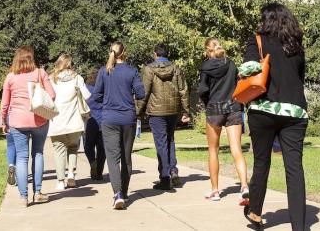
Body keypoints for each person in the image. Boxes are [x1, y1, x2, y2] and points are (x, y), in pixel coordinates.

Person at [244, 3, 308, 231]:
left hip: (264, 110)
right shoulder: (296, 44)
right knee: (294, 168)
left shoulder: (258, 40)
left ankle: (255, 212)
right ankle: (299, 227)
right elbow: (301, 76)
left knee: (262, 162)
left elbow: (248, 69)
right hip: (295, 112)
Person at [0, 46, 56, 207]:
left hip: (17, 121)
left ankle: (23, 197)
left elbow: (5, 103)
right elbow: (52, 95)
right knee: (38, 153)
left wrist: (3, 120)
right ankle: (37, 192)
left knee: (22, 158)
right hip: (39, 120)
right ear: (32, 58)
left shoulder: (11, 77)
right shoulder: (40, 73)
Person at [93, 41, 146, 209]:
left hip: (109, 118)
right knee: (126, 157)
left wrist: (106, 101)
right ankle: (124, 191)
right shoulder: (132, 71)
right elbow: (141, 93)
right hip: (127, 118)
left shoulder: (104, 71)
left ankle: (117, 194)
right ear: (125, 53)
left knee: (113, 159)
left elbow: (96, 95)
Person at [198, 38, 249, 203]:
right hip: (234, 108)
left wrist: (208, 103)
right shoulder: (232, 64)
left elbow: (203, 90)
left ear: (207, 50)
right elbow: (238, 84)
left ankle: (215, 191)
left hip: (214, 109)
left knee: (213, 150)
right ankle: (244, 186)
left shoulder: (205, 67)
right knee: (237, 149)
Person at [137, 43, 190, 190]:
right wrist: (186, 111)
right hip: (173, 110)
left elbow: (144, 92)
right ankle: (173, 170)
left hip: (156, 112)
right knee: (170, 140)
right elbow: (183, 91)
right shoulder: (176, 68)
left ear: (155, 54)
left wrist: (138, 112)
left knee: (161, 143)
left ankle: (165, 177)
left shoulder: (148, 70)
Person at [48, 54, 91, 190]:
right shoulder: (77, 78)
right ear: (70, 64)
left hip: (56, 121)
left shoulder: (51, 79)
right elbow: (87, 96)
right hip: (74, 122)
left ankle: (60, 180)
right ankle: (71, 174)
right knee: (73, 148)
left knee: (59, 150)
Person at [84, 68, 105, 181]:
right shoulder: (104, 88)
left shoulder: (86, 89)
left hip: (90, 120)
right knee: (102, 148)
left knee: (88, 145)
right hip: (103, 120)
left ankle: (92, 162)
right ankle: (99, 172)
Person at [5, 116, 16, 186]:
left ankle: (11, 165)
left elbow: (4, 107)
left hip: (9, 119)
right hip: (22, 120)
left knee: (10, 145)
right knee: (21, 149)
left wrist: (3, 123)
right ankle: (19, 177)